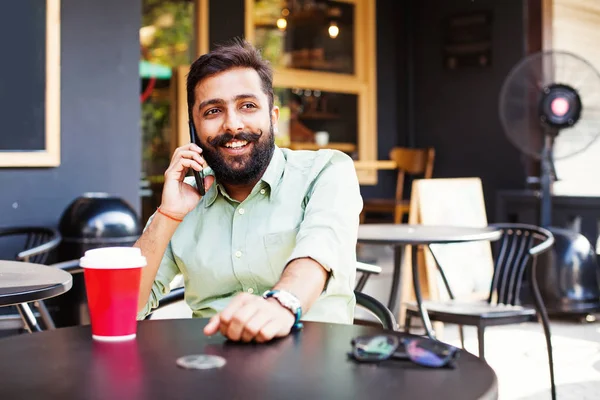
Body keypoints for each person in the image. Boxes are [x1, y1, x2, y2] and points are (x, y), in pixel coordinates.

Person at [135, 39, 363, 343]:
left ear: (273, 117)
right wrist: (167, 215)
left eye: (248, 106)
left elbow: (317, 253)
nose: (232, 125)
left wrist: (282, 305)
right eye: (213, 111)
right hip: (215, 374)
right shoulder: (184, 200)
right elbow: (123, 307)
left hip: (313, 370)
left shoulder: (326, 171)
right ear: (195, 130)